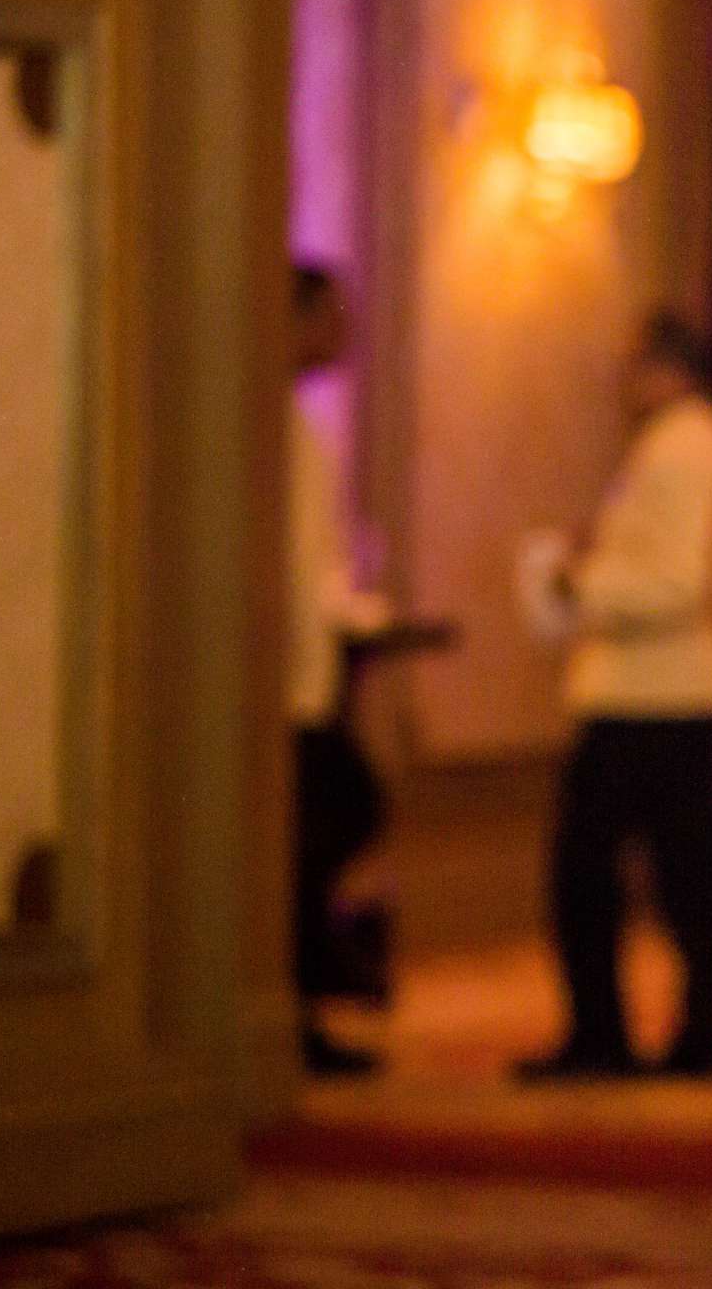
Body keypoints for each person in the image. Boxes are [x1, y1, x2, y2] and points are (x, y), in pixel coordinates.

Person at [517, 312, 712, 1080]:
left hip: (652, 698)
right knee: (686, 873)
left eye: (630, 365)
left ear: (662, 367)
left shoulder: (682, 448)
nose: (621, 383)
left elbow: (680, 580)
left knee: (591, 872)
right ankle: (691, 1034)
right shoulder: (699, 443)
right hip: (677, 695)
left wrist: (573, 580)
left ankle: (606, 1037)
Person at [288, 265, 394, 1075]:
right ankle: (303, 996)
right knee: (325, 821)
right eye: (331, 316)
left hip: (309, 669)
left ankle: (313, 992)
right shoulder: (271, 427)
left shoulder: (298, 425)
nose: (344, 333)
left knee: (334, 818)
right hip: (285, 680)